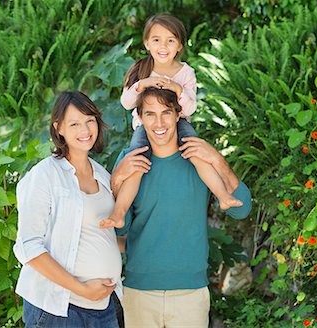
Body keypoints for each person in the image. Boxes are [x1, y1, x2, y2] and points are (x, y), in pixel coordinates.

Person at [112, 87, 252, 327]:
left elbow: (241, 209)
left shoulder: (198, 159)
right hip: (140, 291)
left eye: (166, 113)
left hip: (191, 292)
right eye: (150, 114)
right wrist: (116, 179)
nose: (159, 122)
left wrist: (217, 159)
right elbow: (116, 230)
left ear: (178, 115)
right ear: (140, 118)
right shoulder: (130, 159)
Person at [99, 14, 242, 229]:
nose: (163, 46)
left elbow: (190, 108)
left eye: (170, 40)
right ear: (147, 43)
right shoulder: (141, 70)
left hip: (179, 123)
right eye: (156, 40)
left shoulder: (185, 72)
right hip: (144, 126)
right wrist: (142, 84)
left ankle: (222, 195)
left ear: (180, 46)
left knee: (196, 152)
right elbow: (127, 103)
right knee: (136, 162)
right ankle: (119, 212)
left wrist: (178, 90)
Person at [13, 91, 123, 327]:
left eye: (89, 121)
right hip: (58, 309)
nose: (85, 130)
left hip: (102, 307)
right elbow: (28, 246)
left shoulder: (102, 175)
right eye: (74, 124)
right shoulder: (44, 175)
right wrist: (82, 289)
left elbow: (97, 235)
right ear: (58, 128)